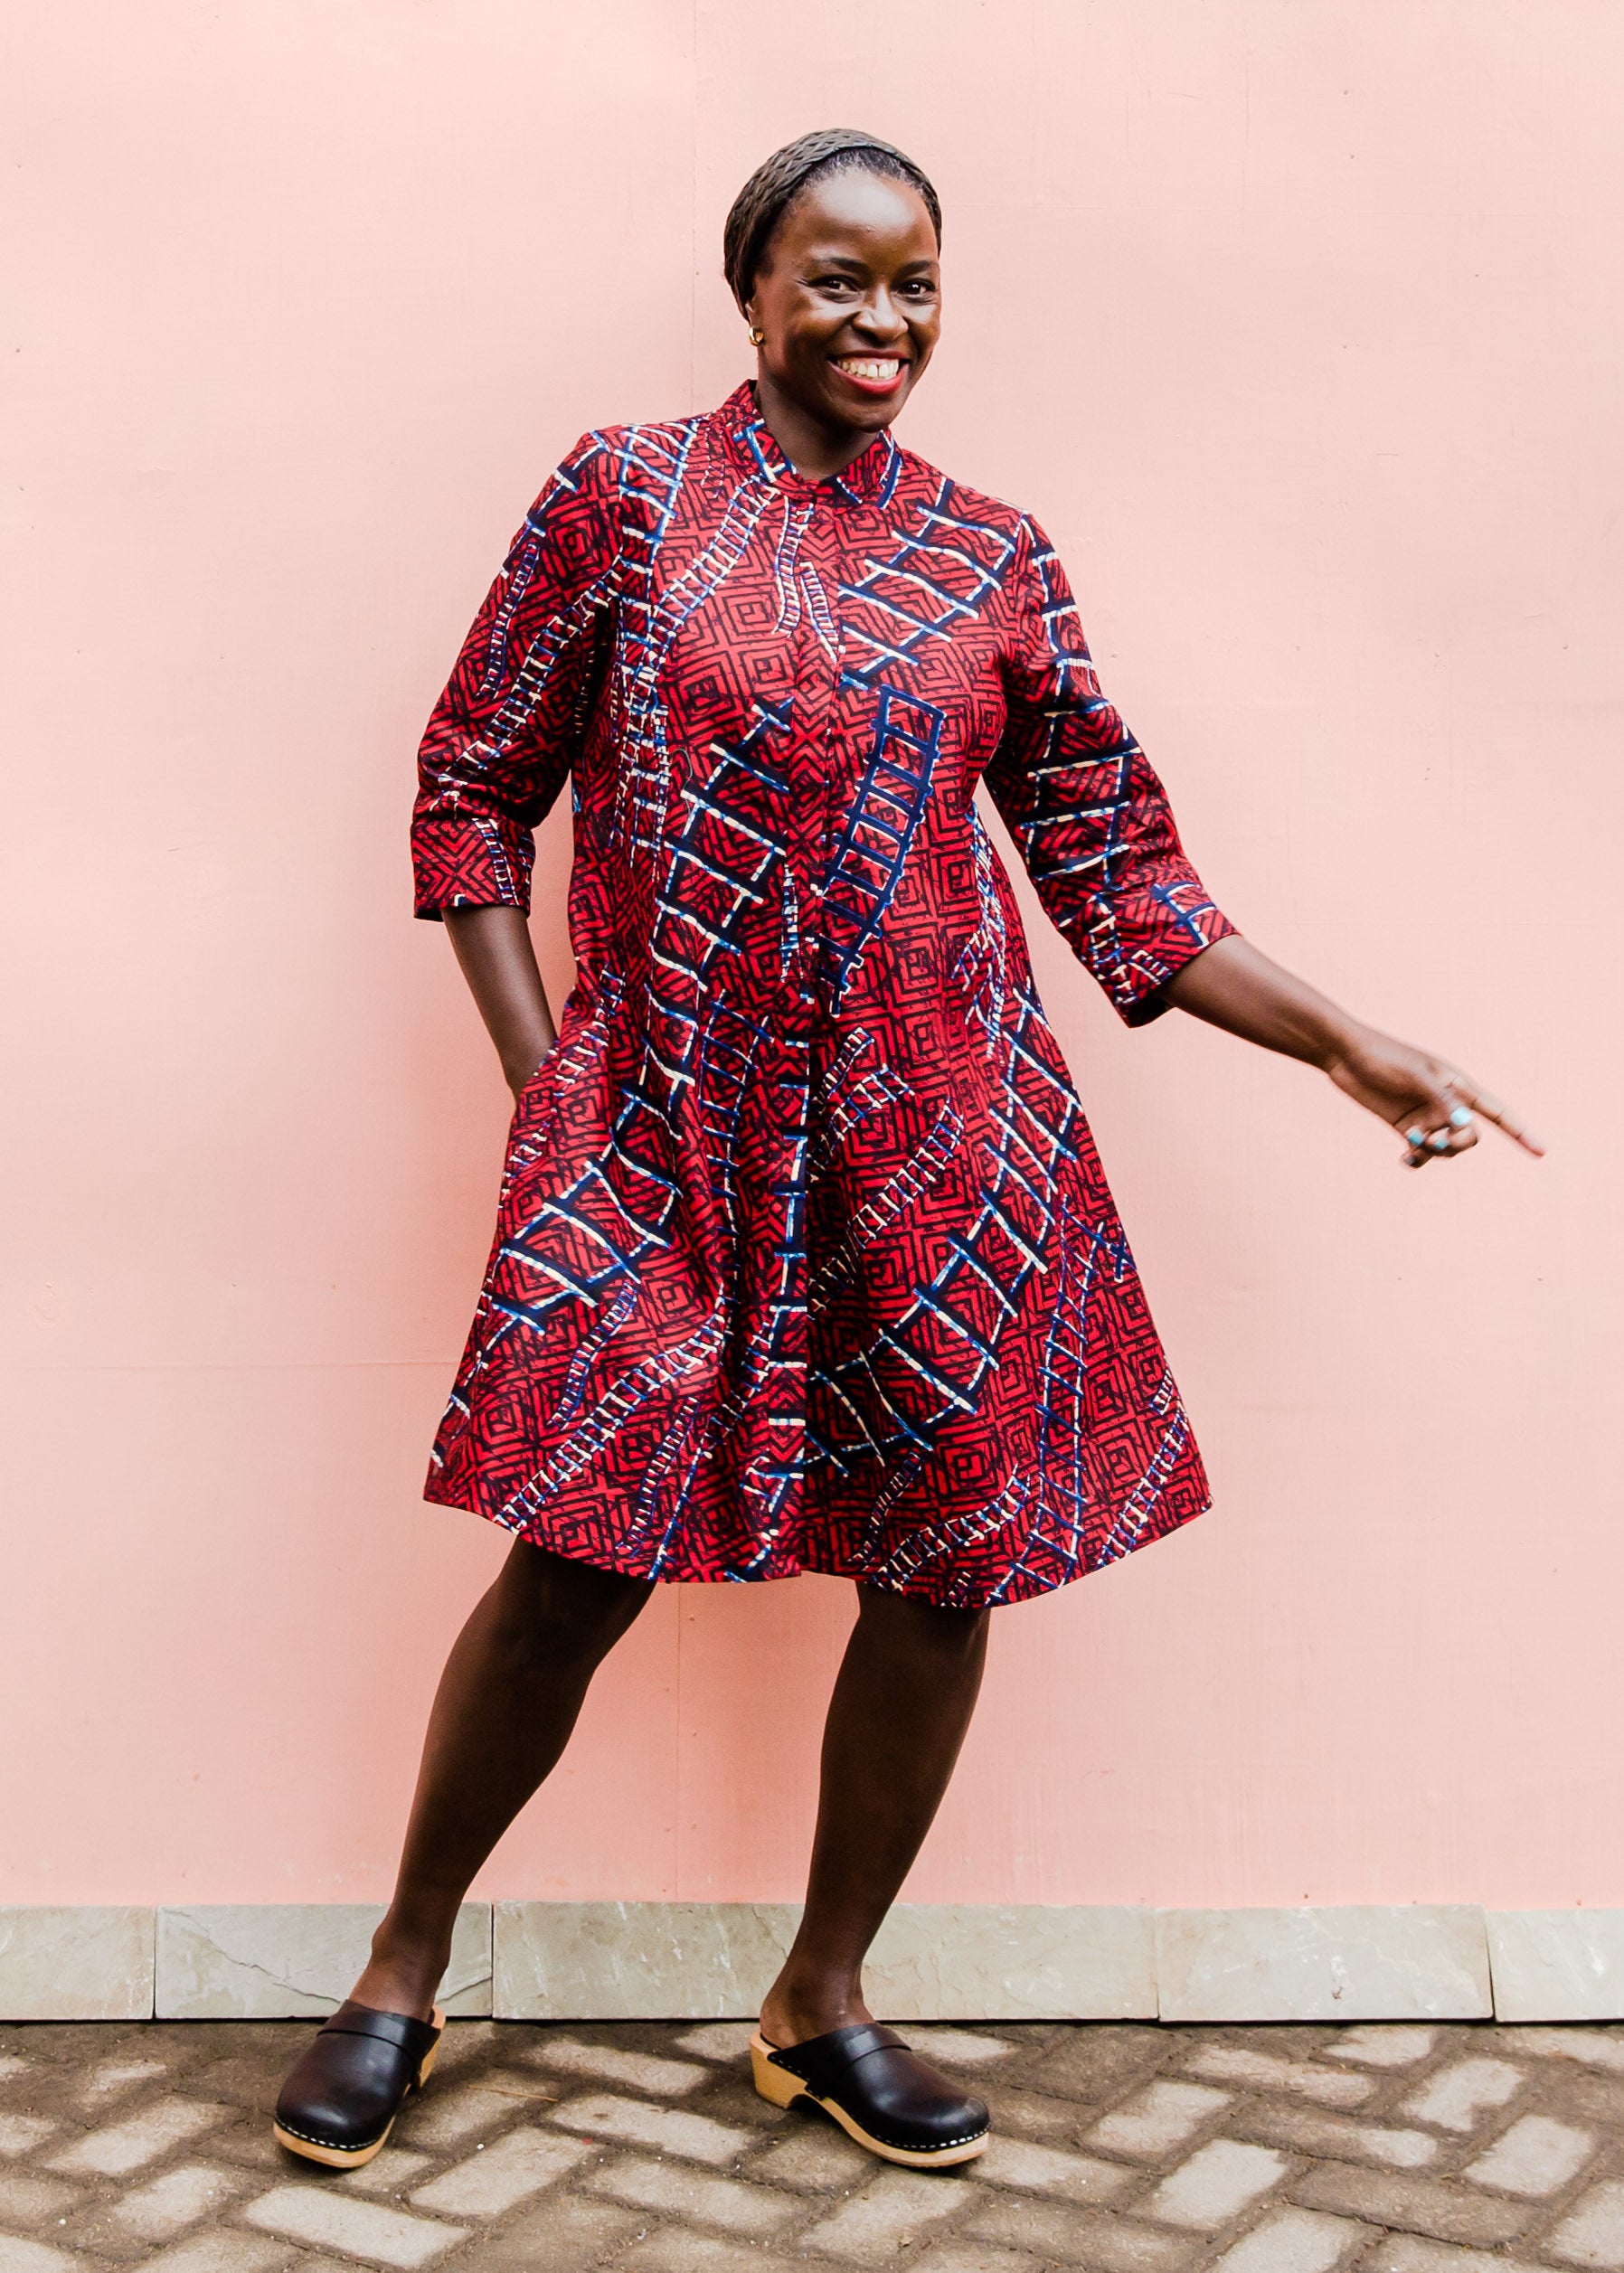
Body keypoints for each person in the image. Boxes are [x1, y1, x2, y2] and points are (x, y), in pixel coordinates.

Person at [272, 127, 1541, 2176]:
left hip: (941, 1147)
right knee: (572, 1559)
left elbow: (1124, 879)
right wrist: (551, 1088)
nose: (882, 323)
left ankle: (822, 1999)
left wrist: (1351, 1048)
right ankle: (399, 1974)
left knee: (946, 1569)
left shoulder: (993, 555)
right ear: (751, 289)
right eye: (837, 280)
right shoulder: (619, 497)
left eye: (916, 284)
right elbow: (465, 799)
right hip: (661, 1142)